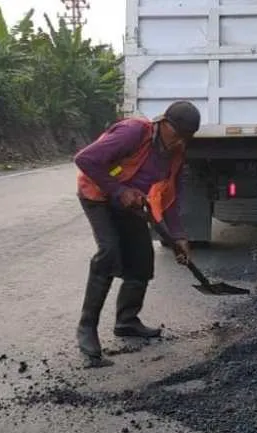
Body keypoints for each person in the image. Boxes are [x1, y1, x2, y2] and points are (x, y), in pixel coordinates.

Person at [72, 100, 201, 368]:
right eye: (176, 134)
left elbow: (170, 198)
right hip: (99, 196)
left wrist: (178, 236)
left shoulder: (176, 152)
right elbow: (84, 159)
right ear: (163, 123)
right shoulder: (134, 132)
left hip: (131, 204)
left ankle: (127, 321)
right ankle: (87, 329)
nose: (179, 141)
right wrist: (119, 190)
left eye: (186, 138)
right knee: (109, 252)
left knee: (142, 259)